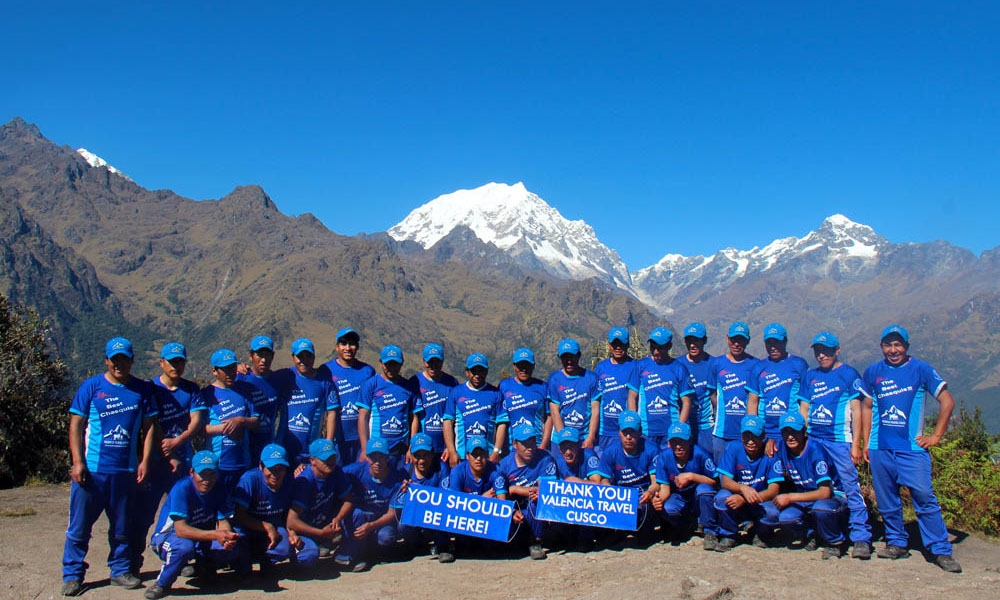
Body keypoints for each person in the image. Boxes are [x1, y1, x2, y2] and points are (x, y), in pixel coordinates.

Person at [859, 325, 961, 573]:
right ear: (881, 346)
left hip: (912, 450)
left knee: (924, 498)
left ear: (906, 346)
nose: (893, 350)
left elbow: (947, 401)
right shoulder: (873, 371)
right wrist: (866, 443)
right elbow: (867, 407)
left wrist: (936, 435)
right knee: (887, 500)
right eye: (888, 345)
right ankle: (896, 543)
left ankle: (940, 550)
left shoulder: (920, 369)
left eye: (898, 345)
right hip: (880, 447)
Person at [61, 337, 159, 597]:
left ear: (132, 360)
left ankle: (120, 570)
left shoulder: (142, 390)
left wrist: (145, 461)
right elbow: (76, 425)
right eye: (115, 360)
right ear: (106, 360)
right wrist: (78, 462)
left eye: (124, 359)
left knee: (122, 525)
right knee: (80, 527)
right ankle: (72, 575)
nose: (120, 365)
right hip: (92, 471)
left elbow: (150, 429)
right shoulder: (91, 387)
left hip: (125, 471)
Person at [131, 342, 207, 576]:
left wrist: (179, 441)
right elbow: (150, 426)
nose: (176, 366)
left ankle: (180, 557)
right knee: (143, 514)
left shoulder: (191, 389)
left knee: (181, 512)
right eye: (171, 362)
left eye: (180, 361)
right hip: (154, 463)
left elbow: (196, 421)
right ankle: (132, 564)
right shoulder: (150, 389)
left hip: (184, 461)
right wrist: (169, 452)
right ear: (161, 363)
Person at [796, 332, 872, 559]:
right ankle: (820, 533)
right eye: (818, 351)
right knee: (814, 485)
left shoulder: (848, 374)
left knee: (849, 486)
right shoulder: (810, 376)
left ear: (837, 351)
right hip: (814, 440)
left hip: (839, 440)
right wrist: (803, 439)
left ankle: (860, 536)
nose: (822, 355)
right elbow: (804, 409)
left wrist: (856, 445)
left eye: (827, 350)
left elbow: (857, 410)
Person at [145, 451, 242, 600]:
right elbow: (181, 530)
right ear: (192, 472)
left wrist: (227, 537)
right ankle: (162, 584)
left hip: (200, 535)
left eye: (212, 474)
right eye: (202, 474)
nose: (207, 480)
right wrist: (216, 535)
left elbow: (223, 521)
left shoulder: (219, 488)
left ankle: (202, 567)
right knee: (184, 547)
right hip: (169, 537)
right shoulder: (182, 488)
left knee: (234, 546)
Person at [763, 412, 848, 559]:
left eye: (794, 432)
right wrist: (768, 441)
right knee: (786, 518)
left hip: (832, 497)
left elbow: (825, 492)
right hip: (806, 497)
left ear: (804, 432)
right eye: (786, 432)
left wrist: (790, 497)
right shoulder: (781, 446)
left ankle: (835, 542)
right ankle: (813, 533)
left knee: (821, 508)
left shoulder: (816, 451)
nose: (790, 436)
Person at [711, 415, 783, 552]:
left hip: (760, 499)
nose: (750, 441)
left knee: (772, 513)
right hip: (738, 495)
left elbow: (774, 489)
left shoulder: (770, 453)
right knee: (721, 498)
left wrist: (746, 499)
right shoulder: (733, 447)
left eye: (755, 436)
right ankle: (729, 535)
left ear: (763, 436)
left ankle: (760, 533)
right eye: (746, 436)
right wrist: (742, 489)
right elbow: (725, 481)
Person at [287, 438, 359, 566]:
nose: (330, 462)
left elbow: (349, 500)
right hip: (306, 530)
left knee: (357, 514)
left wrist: (338, 518)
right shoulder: (305, 481)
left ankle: (345, 552)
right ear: (312, 461)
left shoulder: (336, 471)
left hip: (325, 522)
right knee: (309, 558)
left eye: (332, 457)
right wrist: (321, 533)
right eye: (325, 459)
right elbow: (291, 521)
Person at [340, 438, 407, 572]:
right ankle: (354, 552)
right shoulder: (354, 471)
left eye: (381, 457)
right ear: (367, 458)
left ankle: (371, 551)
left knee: (386, 537)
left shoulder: (397, 479)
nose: (377, 462)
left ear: (388, 457)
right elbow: (332, 473)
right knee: (357, 513)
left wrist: (371, 526)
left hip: (381, 521)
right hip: (360, 518)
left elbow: (392, 513)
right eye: (373, 457)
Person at [590, 410, 659, 541]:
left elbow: (656, 482)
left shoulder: (651, 449)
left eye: (632, 432)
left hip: (643, 494)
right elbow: (604, 479)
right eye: (625, 432)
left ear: (639, 433)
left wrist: (650, 492)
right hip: (621, 497)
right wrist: (611, 494)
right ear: (619, 433)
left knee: (644, 535)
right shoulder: (611, 451)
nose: (628, 437)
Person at [233, 444, 299, 579]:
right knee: (239, 547)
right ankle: (244, 562)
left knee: (284, 547)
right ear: (261, 466)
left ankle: (266, 560)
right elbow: (239, 515)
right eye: (271, 469)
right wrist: (266, 526)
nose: (276, 474)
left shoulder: (289, 482)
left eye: (280, 469)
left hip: (275, 525)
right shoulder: (249, 479)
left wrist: (291, 532)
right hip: (249, 526)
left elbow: (289, 513)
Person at [494, 424, 558, 560]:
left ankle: (536, 542)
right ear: (515, 444)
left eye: (532, 442)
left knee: (537, 501)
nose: (530, 448)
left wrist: (516, 489)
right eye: (525, 444)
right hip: (515, 509)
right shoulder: (505, 464)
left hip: (533, 507)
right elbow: (500, 494)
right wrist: (510, 511)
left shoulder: (545, 458)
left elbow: (543, 490)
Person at [203, 348, 261, 497]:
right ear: (214, 371)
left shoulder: (245, 390)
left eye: (232, 368)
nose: (230, 372)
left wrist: (241, 421)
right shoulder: (206, 394)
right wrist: (225, 428)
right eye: (225, 369)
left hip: (243, 463)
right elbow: (200, 429)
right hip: (219, 464)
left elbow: (256, 420)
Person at [627, 327, 695, 450]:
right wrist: (634, 425)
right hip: (646, 432)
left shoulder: (679, 368)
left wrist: (678, 431)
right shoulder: (641, 366)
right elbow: (632, 396)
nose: (656, 351)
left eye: (661, 348)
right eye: (653, 347)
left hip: (670, 432)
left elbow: (686, 401)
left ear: (669, 346)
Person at [275, 338, 339, 467]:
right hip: (284, 451)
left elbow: (332, 414)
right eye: (300, 356)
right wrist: (240, 368)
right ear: (293, 357)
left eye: (308, 356)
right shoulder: (286, 376)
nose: (303, 361)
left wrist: (328, 445)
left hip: (312, 453)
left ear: (313, 357)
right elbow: (261, 379)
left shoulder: (324, 382)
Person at [746, 323, 809, 454]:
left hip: (792, 432)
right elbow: (753, 402)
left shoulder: (799, 364)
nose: (773, 347)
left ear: (785, 341)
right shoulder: (759, 367)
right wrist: (755, 432)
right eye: (769, 343)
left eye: (777, 342)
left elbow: (805, 401)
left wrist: (803, 430)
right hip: (766, 433)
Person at [652, 422, 717, 543]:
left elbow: (715, 481)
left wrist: (692, 476)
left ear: (690, 440)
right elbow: (665, 488)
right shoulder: (664, 457)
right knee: (669, 507)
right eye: (674, 442)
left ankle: (709, 531)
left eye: (682, 441)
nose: (678, 446)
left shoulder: (700, 454)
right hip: (679, 496)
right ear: (669, 443)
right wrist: (658, 500)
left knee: (704, 490)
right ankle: (684, 526)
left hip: (697, 496)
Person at [358, 345, 422, 461]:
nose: (391, 368)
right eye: (388, 364)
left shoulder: (409, 387)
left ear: (402, 363)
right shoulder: (371, 385)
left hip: (401, 449)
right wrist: (364, 448)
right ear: (381, 363)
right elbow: (363, 417)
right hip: (376, 448)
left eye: (395, 364)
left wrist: (411, 447)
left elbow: (414, 418)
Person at [445, 435, 501, 563]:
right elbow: (455, 505)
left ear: (487, 455)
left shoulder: (495, 470)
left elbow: (501, 501)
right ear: (467, 456)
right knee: (465, 545)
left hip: (485, 522)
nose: (478, 459)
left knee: (492, 548)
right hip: (465, 522)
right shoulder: (458, 472)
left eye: (482, 454)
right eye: (475, 455)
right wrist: (481, 500)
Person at [708, 322, 758, 462]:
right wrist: (723, 409)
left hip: (748, 434)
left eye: (741, 340)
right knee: (721, 476)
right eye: (733, 339)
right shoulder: (717, 364)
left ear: (747, 341)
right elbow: (712, 393)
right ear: (727, 339)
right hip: (722, 434)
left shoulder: (755, 365)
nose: (736, 344)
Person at [325, 328, 376, 464]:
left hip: (362, 440)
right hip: (337, 440)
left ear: (357, 347)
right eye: (343, 343)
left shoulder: (367, 371)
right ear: (337, 347)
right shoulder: (326, 370)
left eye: (352, 343)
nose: (348, 348)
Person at [443, 354, 504, 468]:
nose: (477, 375)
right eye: (473, 371)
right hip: (462, 456)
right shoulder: (456, 392)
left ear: (486, 372)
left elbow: (501, 424)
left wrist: (496, 451)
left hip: (487, 457)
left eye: (481, 371)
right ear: (467, 372)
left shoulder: (495, 393)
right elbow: (447, 423)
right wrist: (452, 451)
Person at [397, 433, 451, 560]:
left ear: (432, 453)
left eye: (425, 455)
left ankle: (443, 546)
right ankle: (417, 544)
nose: (421, 460)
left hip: (435, 514)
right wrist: (404, 494)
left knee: (441, 516)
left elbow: (446, 499)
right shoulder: (405, 472)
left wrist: (422, 492)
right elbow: (397, 505)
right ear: (411, 455)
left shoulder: (441, 468)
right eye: (417, 456)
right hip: (416, 515)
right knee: (402, 525)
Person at [237, 335, 286, 460]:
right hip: (244, 447)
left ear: (273, 356)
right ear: (250, 356)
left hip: (269, 445)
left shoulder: (278, 381)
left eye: (267, 355)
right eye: (259, 355)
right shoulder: (241, 378)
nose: (263, 360)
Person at [548, 338, 602, 450]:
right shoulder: (554, 379)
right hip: (560, 440)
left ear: (579, 356)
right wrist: (564, 439)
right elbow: (554, 412)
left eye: (572, 356)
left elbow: (595, 410)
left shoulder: (591, 378)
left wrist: (591, 437)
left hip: (584, 439)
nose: (569, 361)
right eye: (565, 357)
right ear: (559, 357)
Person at [410, 344, 459, 461]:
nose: (433, 366)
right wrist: (412, 445)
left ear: (442, 362)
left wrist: (450, 447)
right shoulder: (415, 382)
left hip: (444, 449)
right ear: (423, 361)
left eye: (437, 362)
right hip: (421, 449)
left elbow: (456, 418)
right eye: (429, 362)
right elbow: (412, 417)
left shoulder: (452, 382)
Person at [497, 347, 550, 451]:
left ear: (533, 366)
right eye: (520, 365)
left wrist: (544, 444)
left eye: (527, 365)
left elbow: (549, 417)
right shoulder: (504, 386)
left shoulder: (543, 387)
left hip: (537, 447)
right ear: (514, 366)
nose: (523, 369)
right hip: (511, 448)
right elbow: (499, 420)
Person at [594, 327, 636, 453]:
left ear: (628, 345)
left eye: (621, 344)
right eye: (614, 344)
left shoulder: (635, 366)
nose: (618, 348)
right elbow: (596, 400)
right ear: (609, 345)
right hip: (605, 430)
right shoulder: (601, 368)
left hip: (626, 431)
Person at [681, 322, 715, 453]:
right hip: (685, 428)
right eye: (689, 340)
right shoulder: (678, 365)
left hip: (706, 427)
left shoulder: (713, 364)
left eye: (696, 340)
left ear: (704, 340)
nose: (692, 345)